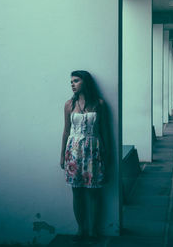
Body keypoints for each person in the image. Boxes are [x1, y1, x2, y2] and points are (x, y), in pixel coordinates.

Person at [60, 70, 109, 243]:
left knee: (94, 192)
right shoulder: (69, 104)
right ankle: (81, 229)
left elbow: (104, 132)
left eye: (76, 81)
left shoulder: (99, 104)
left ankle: (94, 230)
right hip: (73, 152)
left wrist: (107, 156)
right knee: (77, 192)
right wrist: (61, 157)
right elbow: (66, 132)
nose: (72, 84)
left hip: (93, 151)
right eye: (71, 81)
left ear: (85, 82)